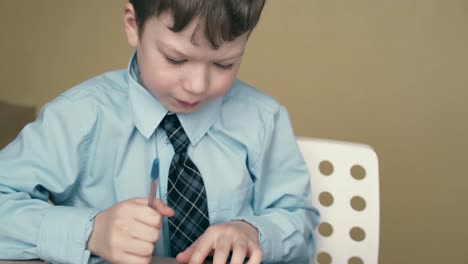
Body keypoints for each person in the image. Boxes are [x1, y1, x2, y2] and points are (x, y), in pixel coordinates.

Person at [0, 0, 319, 263]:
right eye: (175, 58)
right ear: (132, 24)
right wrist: (90, 231)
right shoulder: (77, 117)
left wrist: (252, 232)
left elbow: (299, 222)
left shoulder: (265, 120)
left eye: (224, 64)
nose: (197, 86)